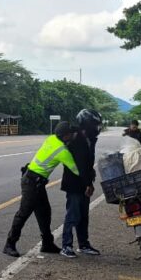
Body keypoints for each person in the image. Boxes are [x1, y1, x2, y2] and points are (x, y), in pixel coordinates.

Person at [3, 121, 80, 258]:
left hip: (35, 181)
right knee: (23, 213)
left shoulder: (51, 138)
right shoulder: (62, 151)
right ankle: (9, 244)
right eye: (71, 133)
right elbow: (76, 171)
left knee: (44, 213)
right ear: (65, 135)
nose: (73, 135)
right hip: (32, 183)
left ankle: (47, 244)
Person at [60, 109, 102, 258]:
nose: (97, 128)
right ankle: (66, 245)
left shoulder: (89, 138)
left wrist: (90, 177)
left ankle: (83, 244)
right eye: (95, 125)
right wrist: (88, 184)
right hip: (75, 183)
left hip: (84, 181)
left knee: (83, 216)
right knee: (73, 215)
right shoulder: (77, 139)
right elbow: (80, 165)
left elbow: (88, 162)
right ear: (87, 124)